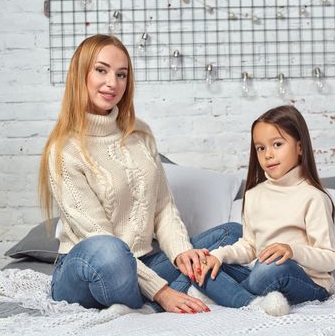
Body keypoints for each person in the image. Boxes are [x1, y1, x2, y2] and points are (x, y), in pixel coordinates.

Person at [37, 34, 241, 314]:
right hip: (85, 271)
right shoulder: (65, 151)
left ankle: (143, 302)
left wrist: (182, 251)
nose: (113, 83)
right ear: (80, 73)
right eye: (101, 70)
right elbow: (97, 237)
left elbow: (163, 208)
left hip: (143, 263)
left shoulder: (140, 134)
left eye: (122, 75)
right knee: (112, 252)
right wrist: (163, 291)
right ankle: (159, 297)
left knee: (231, 233)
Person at [192, 105, 335, 316]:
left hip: (305, 281)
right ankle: (253, 303)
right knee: (202, 265)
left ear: (300, 147)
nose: (268, 155)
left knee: (269, 267)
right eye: (260, 148)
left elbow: (330, 258)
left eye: (277, 144)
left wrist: (292, 250)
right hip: (259, 274)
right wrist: (218, 255)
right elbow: (249, 246)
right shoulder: (253, 195)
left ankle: (225, 294)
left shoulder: (313, 197)